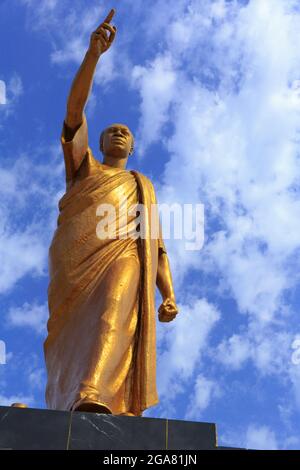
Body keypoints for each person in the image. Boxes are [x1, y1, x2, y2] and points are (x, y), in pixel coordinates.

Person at [44, 9, 178, 417]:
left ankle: (93, 394)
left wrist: (168, 293)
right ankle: (75, 395)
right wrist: (93, 56)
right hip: (75, 259)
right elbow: (73, 110)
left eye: (127, 131)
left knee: (117, 306)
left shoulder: (140, 185)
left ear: (133, 148)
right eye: (111, 129)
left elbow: (154, 247)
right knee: (73, 336)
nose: (119, 131)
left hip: (123, 253)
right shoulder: (84, 168)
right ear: (97, 142)